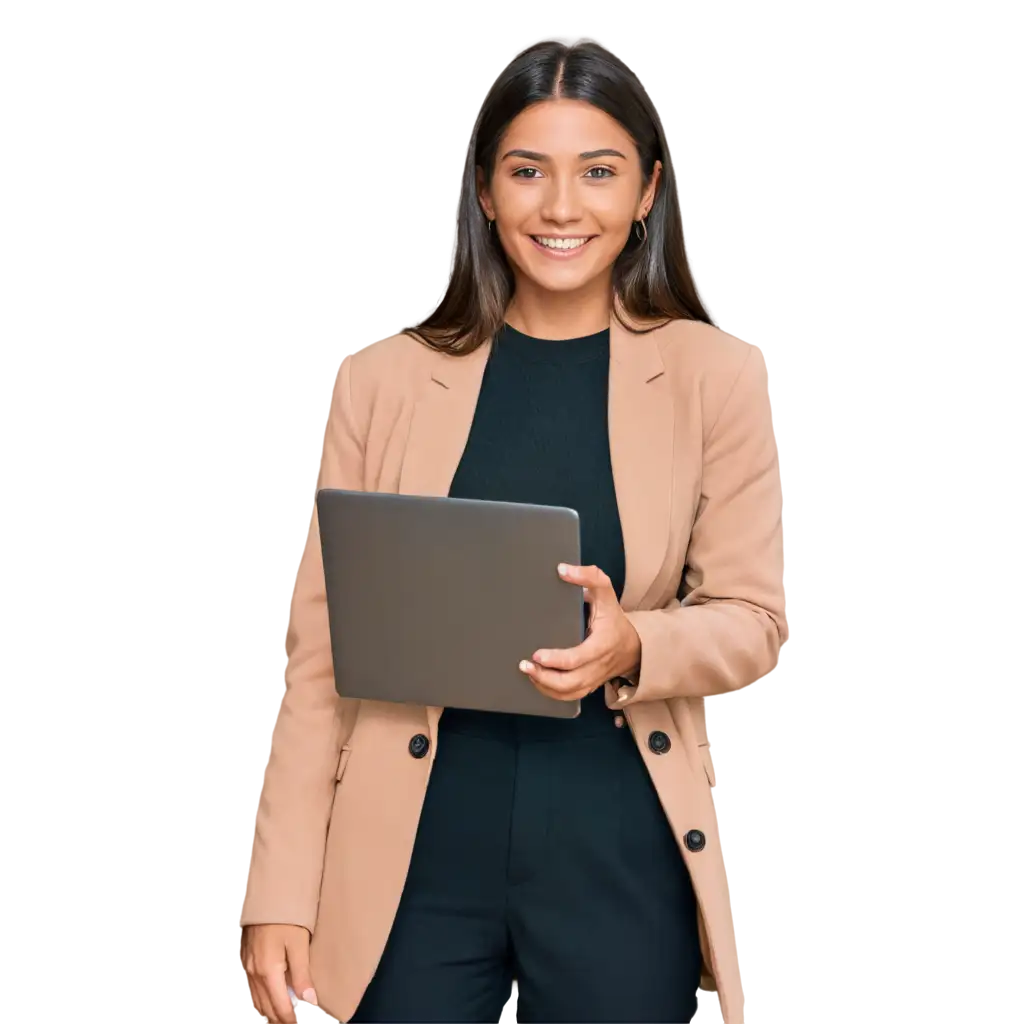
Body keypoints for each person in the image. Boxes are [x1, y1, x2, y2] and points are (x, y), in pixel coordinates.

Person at [237, 38, 788, 1024]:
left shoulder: (714, 379)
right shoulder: (381, 380)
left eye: (599, 172)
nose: (561, 206)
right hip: (412, 856)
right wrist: (276, 894)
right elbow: (317, 658)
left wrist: (636, 643)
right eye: (527, 170)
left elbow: (753, 621)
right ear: (485, 193)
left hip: (616, 846)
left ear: (647, 191)